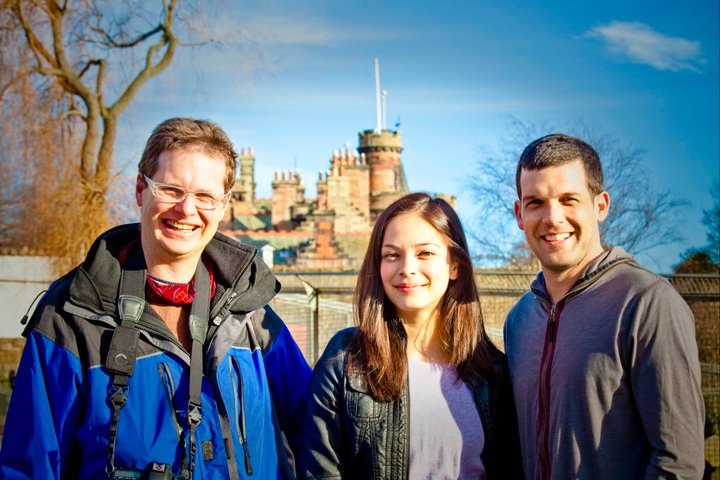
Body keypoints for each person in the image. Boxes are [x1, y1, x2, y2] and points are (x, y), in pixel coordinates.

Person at [0, 117, 311, 479]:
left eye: (205, 197)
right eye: (171, 189)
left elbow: (320, 435)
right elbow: (30, 464)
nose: (186, 209)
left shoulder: (253, 317)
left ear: (223, 206)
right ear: (139, 189)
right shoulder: (71, 317)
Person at [505, 133, 705, 479]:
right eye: (536, 202)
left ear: (600, 205)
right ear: (520, 213)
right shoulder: (519, 320)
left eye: (569, 199)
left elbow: (679, 463)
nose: (553, 218)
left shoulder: (648, 303)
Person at [301, 192, 523, 479]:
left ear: (454, 265)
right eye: (392, 255)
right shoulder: (345, 361)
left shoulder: (494, 373)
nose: (407, 269)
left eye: (425, 253)